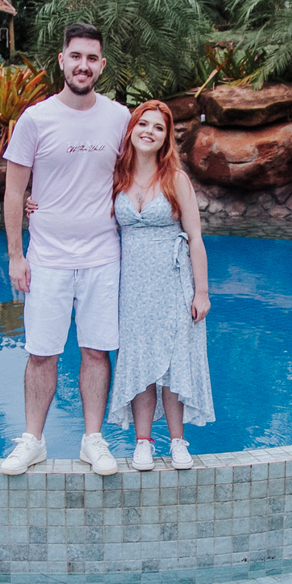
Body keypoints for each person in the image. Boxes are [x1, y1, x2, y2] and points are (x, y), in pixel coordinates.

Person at [0, 23, 132, 476]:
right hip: (47, 258)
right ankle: (32, 440)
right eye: (76, 56)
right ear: (61, 60)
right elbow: (14, 191)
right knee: (41, 353)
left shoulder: (119, 118)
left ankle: (92, 440)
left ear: (102, 66)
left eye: (92, 58)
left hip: (102, 256)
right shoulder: (35, 119)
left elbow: (138, 174)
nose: (83, 65)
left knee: (96, 351)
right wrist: (16, 255)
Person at [106, 100, 214, 470]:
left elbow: (195, 237)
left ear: (166, 137)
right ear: (131, 130)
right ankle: (143, 443)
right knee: (139, 362)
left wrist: (202, 292)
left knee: (173, 364)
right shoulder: (117, 178)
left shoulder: (175, 179)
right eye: (143, 124)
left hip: (173, 285)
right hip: (133, 289)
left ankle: (178, 442)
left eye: (158, 127)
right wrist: (37, 204)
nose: (149, 132)